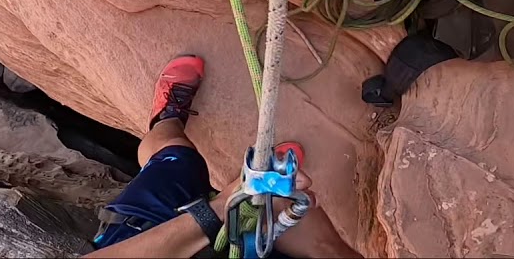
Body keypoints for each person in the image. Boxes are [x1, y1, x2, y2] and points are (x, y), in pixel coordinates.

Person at [85, 55, 354, 258]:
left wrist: (223, 208)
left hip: (145, 239)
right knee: (325, 248)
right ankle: (260, 186)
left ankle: (166, 119)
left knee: (176, 156)